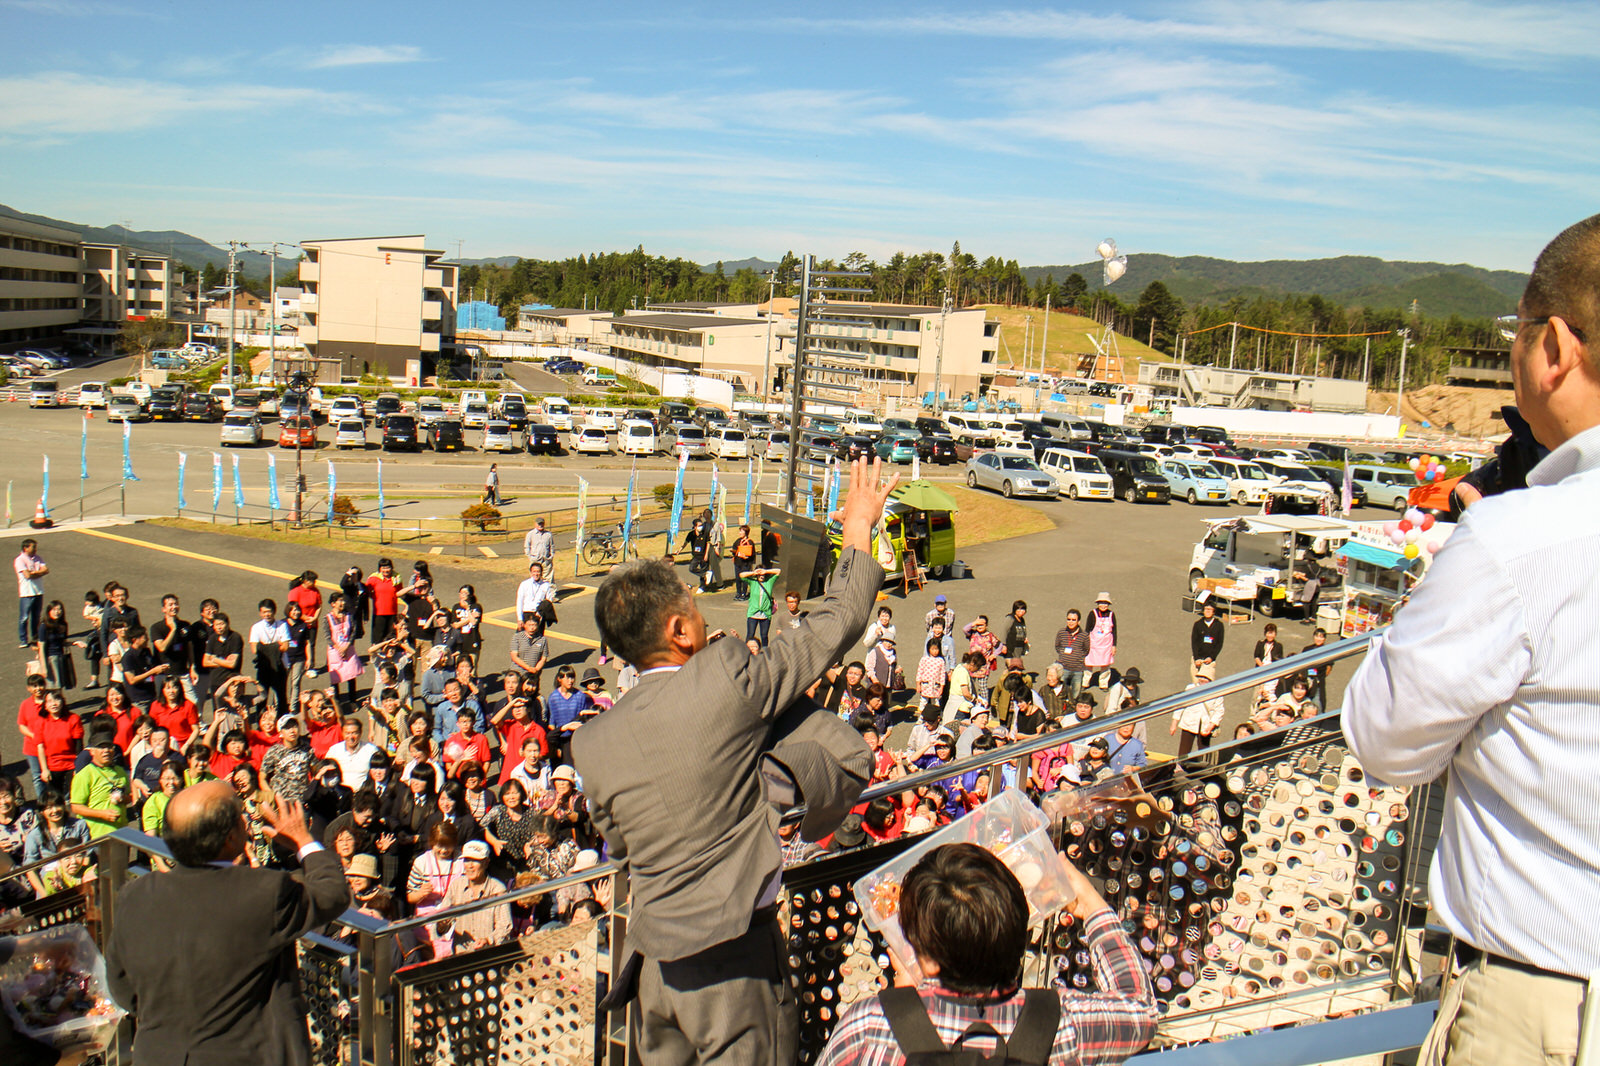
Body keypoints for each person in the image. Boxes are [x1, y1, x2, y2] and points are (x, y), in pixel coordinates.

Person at [1343, 218, 1600, 1063]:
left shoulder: (1518, 540)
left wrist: (1459, 571)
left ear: (1553, 347)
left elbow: (1385, 737)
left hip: (1546, 1001)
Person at [574, 456, 895, 1065]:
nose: (705, 619)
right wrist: (858, 527)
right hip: (733, 961)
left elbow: (619, 845)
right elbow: (836, 624)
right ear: (680, 631)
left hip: (652, 965)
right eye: (695, 610)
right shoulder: (724, 676)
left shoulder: (593, 742)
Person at [815, 843, 1156, 1066]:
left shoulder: (871, 1024)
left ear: (926, 958)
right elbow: (1140, 1011)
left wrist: (906, 1002)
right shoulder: (1064, 1024)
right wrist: (1091, 906)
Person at [106, 779, 350, 1065]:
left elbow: (121, 986)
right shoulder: (265, 891)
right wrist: (303, 841)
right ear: (231, 837)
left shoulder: (134, 895)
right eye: (239, 815)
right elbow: (332, 894)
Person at [436, 839, 512, 953]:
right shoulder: (456, 886)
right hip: (461, 955)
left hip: (488, 954)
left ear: (486, 863)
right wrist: (442, 924)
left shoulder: (498, 889)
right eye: (467, 860)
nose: (470, 866)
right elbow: (441, 927)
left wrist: (488, 940)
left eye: (475, 861)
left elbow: (505, 926)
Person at [1170, 663, 1226, 757]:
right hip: (1189, 723)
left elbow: (1219, 710)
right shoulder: (1190, 688)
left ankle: (1203, 766)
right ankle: (1181, 765)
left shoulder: (1217, 692)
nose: (1202, 679)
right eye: (1201, 677)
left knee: (1203, 752)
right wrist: (1174, 723)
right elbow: (1180, 705)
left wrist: (1211, 726)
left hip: (1205, 726)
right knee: (1183, 751)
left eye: (1206, 677)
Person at [249, 599, 290, 712]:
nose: (267, 614)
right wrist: (276, 645)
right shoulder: (256, 627)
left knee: (281, 696)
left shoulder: (282, 625)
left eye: (269, 611)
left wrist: (263, 646)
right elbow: (254, 649)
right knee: (262, 696)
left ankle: (282, 718)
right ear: (260, 613)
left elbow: (285, 646)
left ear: (274, 611)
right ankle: (260, 719)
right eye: (264, 612)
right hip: (263, 666)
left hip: (280, 666)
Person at [14, 538, 48, 649]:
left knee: (36, 616)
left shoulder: (38, 558)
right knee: (24, 617)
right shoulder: (20, 560)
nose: (35, 549)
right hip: (27, 593)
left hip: (38, 591)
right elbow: (27, 575)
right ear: (25, 548)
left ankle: (35, 637)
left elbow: (46, 570)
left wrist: (34, 573)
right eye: (33, 547)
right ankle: (23, 639)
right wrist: (39, 573)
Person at [740, 564, 782, 646]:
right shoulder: (753, 582)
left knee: (764, 635)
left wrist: (765, 571)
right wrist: (754, 572)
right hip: (753, 613)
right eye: (760, 574)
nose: (762, 576)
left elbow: (778, 571)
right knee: (750, 635)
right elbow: (741, 575)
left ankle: (765, 651)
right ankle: (748, 650)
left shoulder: (769, 582)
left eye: (763, 575)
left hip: (765, 613)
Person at [1083, 592, 1118, 690]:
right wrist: (1085, 644)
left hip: (1106, 645)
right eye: (1101, 603)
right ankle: (1085, 682)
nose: (1103, 605)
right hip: (1093, 644)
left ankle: (1103, 683)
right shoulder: (1092, 613)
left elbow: (1114, 631)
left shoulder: (1111, 614)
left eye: (1105, 603)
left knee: (1105, 665)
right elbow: (1087, 629)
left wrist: (1114, 645)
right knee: (1088, 664)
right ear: (1098, 603)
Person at [364, 558, 402, 646]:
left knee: (391, 637)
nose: (386, 570)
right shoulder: (373, 578)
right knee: (378, 638)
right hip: (379, 613)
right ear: (380, 569)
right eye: (383, 568)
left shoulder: (396, 578)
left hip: (392, 613)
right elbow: (366, 591)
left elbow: (400, 592)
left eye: (388, 567)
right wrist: (374, 597)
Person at [1053, 609, 1088, 700]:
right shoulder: (1061, 632)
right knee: (1061, 694)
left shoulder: (1084, 635)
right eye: (1069, 619)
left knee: (1075, 695)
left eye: (1073, 620)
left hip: (1078, 670)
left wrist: (1077, 657)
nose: (1070, 622)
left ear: (1078, 621)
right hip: (1064, 668)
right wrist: (1063, 655)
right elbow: (1057, 646)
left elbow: (1086, 650)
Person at [1190, 600, 1224, 681]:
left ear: (1213, 611)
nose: (1208, 611)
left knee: (1206, 684)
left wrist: (1211, 657)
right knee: (1196, 684)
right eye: (1206, 609)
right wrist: (1196, 658)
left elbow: (1219, 643)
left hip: (1209, 661)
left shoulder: (1219, 625)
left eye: (1210, 609)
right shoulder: (1198, 624)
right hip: (1197, 660)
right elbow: (1194, 642)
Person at [516, 561, 556, 626]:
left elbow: (549, 601)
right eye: (534, 571)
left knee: (539, 632)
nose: (536, 574)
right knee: (522, 632)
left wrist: (541, 613)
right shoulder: (524, 584)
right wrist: (520, 618)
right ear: (530, 573)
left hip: (539, 614)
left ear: (541, 573)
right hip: (526, 613)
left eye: (538, 571)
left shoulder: (546, 585)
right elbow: (520, 601)